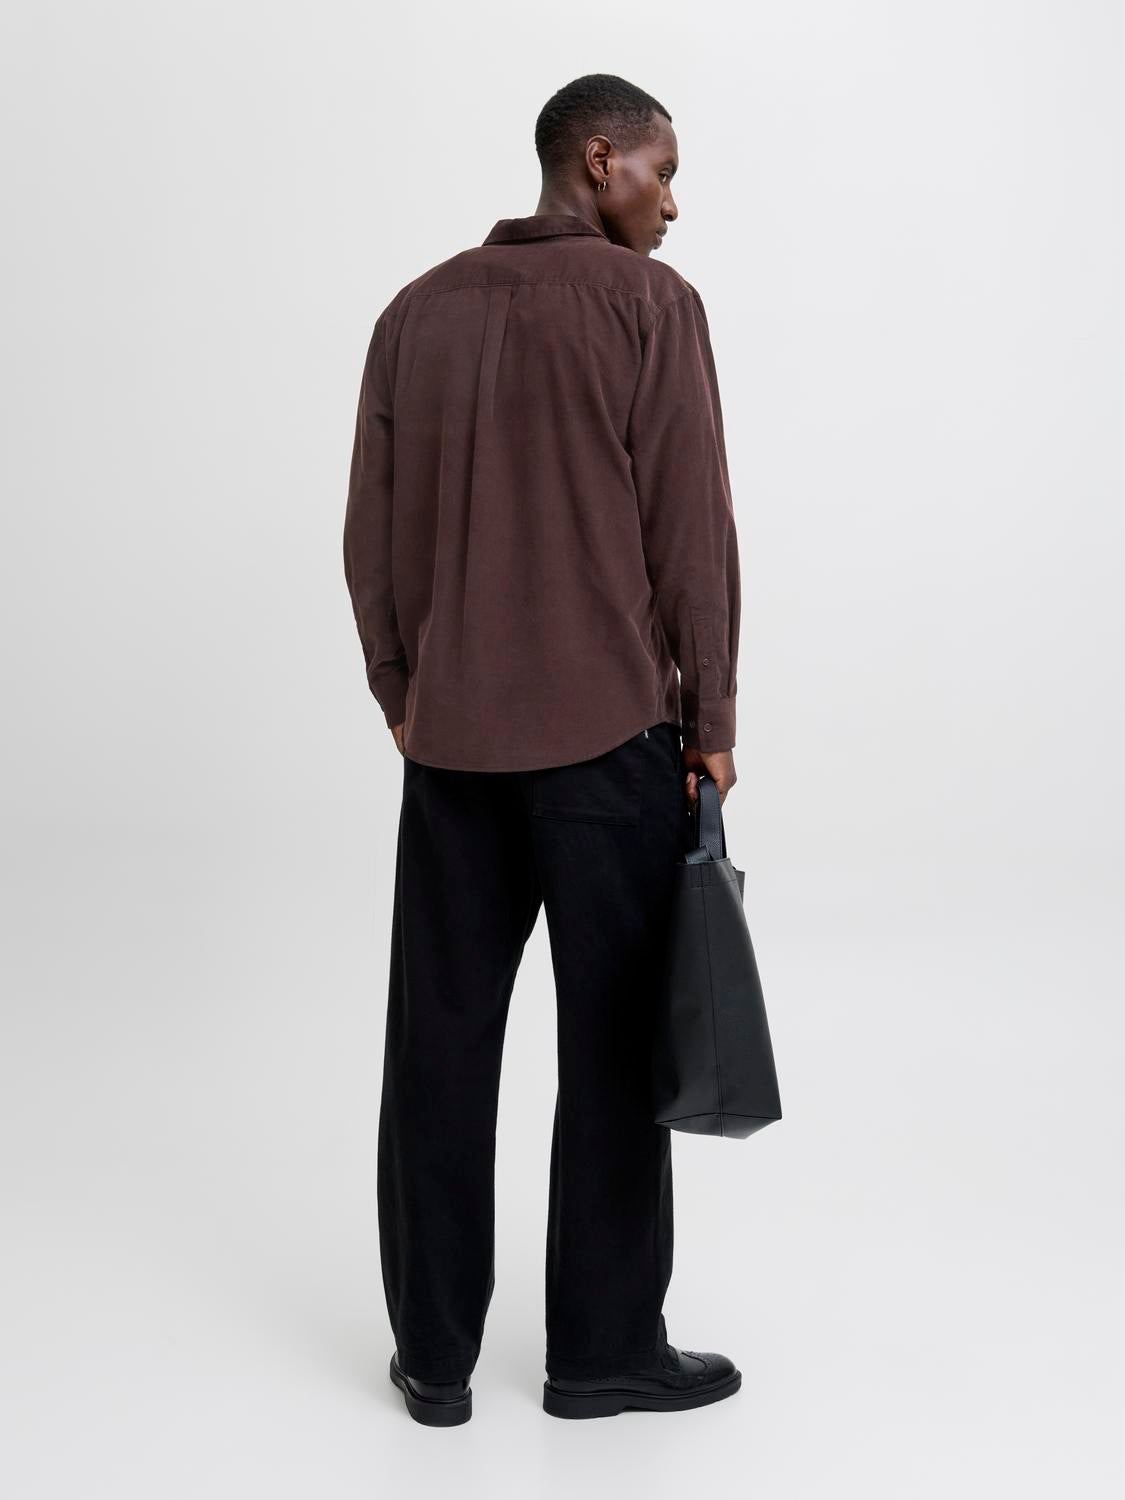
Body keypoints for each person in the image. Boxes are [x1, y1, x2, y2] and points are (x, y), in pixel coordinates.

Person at [342, 73, 742, 1425]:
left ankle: (434, 1360)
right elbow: (691, 531)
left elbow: (371, 529)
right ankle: (603, 1354)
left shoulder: (416, 313)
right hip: (610, 740)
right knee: (617, 1049)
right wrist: (714, 719)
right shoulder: (651, 308)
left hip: (451, 745)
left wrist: (402, 690)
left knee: (438, 1051)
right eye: (661, 172)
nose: (672, 203)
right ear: (598, 158)